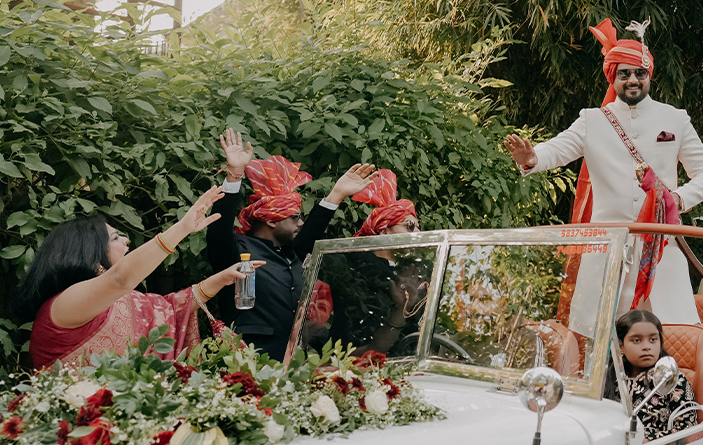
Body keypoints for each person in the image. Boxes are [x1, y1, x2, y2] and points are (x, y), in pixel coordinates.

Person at [504, 19, 703, 332]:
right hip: (605, 251)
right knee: (593, 343)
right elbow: (557, 149)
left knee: (671, 339)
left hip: (660, 251)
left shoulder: (675, 119)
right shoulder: (592, 120)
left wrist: (676, 199)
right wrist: (532, 157)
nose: (633, 80)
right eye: (624, 73)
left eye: (639, 73)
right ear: (613, 77)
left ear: (649, 76)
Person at [15, 187, 262, 369]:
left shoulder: (119, 299)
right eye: (114, 238)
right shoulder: (64, 303)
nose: (126, 240)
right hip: (80, 426)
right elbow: (120, 279)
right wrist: (182, 228)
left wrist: (221, 279)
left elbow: (171, 307)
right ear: (89, 255)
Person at [208, 129, 376, 361]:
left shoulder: (290, 254)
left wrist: (336, 194)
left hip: (296, 365)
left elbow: (310, 233)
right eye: (294, 217)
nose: (301, 222)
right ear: (269, 220)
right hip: (248, 364)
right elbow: (219, 227)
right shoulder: (237, 250)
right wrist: (235, 174)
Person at [314, 169, 428, 358]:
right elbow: (307, 252)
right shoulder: (350, 262)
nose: (416, 233)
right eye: (409, 226)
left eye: (417, 227)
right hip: (350, 365)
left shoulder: (418, 270)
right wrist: (336, 196)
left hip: (406, 364)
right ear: (384, 232)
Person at [605, 309, 698, 440]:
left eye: (653, 339)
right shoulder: (610, 378)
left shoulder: (671, 378)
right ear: (620, 346)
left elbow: (688, 428)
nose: (646, 346)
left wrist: (647, 441)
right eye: (637, 340)